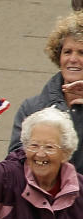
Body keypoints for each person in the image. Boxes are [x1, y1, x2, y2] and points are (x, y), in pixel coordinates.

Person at [10, 12, 83, 173]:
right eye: (67, 52)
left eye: (81, 53)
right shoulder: (32, 108)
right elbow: (15, 164)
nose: (73, 59)